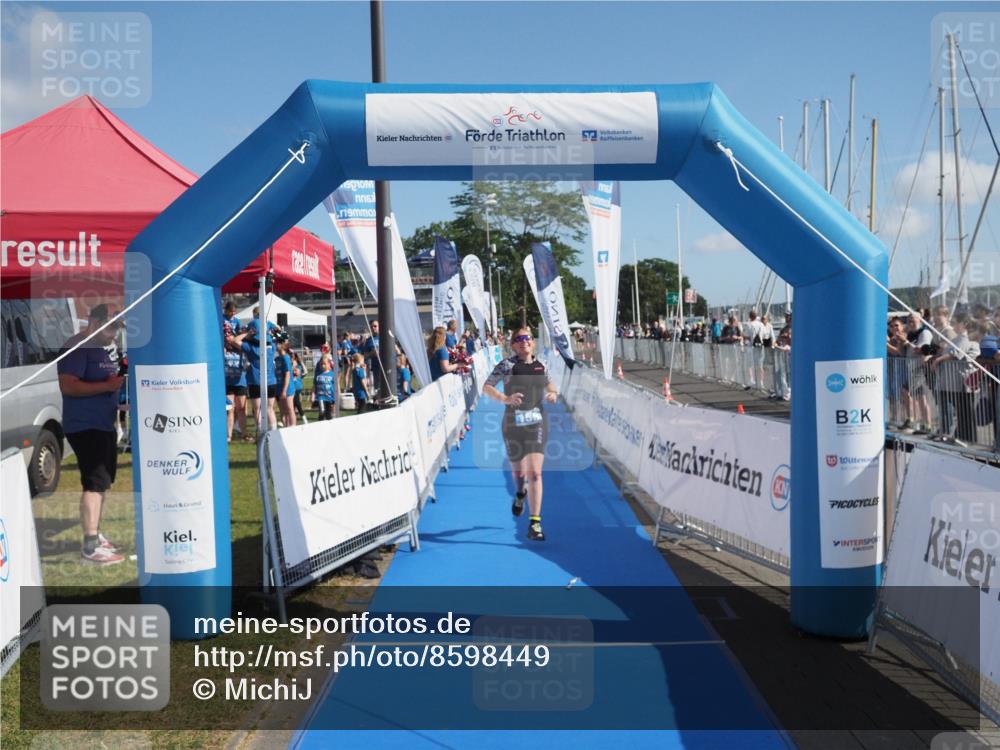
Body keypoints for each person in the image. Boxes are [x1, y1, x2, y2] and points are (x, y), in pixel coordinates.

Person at [57, 304, 126, 565]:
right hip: (85, 425)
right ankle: (89, 545)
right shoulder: (77, 346)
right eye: (111, 327)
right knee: (94, 483)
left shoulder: (102, 348)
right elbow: (68, 386)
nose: (114, 334)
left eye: (117, 328)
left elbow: (107, 380)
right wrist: (105, 386)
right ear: (94, 322)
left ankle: (96, 535)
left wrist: (115, 392)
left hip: (103, 423)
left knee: (102, 482)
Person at [482, 327, 559, 542]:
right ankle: (520, 494)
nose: (524, 341)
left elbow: (550, 383)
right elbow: (486, 387)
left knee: (535, 473)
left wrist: (553, 393)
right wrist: (504, 399)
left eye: (527, 338)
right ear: (514, 344)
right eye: (519, 339)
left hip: (536, 423)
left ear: (532, 343)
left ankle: (535, 523)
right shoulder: (507, 365)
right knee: (520, 475)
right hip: (512, 424)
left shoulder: (541, 364)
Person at [236, 327, 278, 434]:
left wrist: (247, 334)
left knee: (257, 409)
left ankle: (261, 433)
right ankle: (274, 433)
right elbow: (281, 337)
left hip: (255, 381)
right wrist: (271, 330)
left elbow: (234, 341)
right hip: (271, 381)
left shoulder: (250, 348)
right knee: (270, 409)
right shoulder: (272, 346)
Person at [222, 301, 248, 442]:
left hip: (240, 377)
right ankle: (228, 435)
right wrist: (228, 342)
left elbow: (239, 338)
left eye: (234, 311)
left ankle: (244, 433)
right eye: (230, 311)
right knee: (229, 409)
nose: (232, 314)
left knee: (241, 408)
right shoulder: (222, 320)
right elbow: (228, 339)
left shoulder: (237, 322)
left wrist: (239, 339)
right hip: (227, 376)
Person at [275, 341, 296, 427]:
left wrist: (284, 390)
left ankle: (293, 426)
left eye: (278, 343)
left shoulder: (285, 358)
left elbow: (287, 375)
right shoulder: (277, 359)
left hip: (287, 388)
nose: (276, 345)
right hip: (279, 387)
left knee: (289, 408)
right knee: (283, 410)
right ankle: (286, 427)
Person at [313, 354, 337, 420]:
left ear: (329, 364)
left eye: (324, 364)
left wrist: (336, 396)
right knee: (322, 411)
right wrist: (312, 396)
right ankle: (320, 423)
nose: (322, 366)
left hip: (329, 397)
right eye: (321, 364)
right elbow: (314, 385)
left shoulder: (332, 374)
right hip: (320, 397)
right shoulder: (318, 374)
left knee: (328, 414)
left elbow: (336, 386)